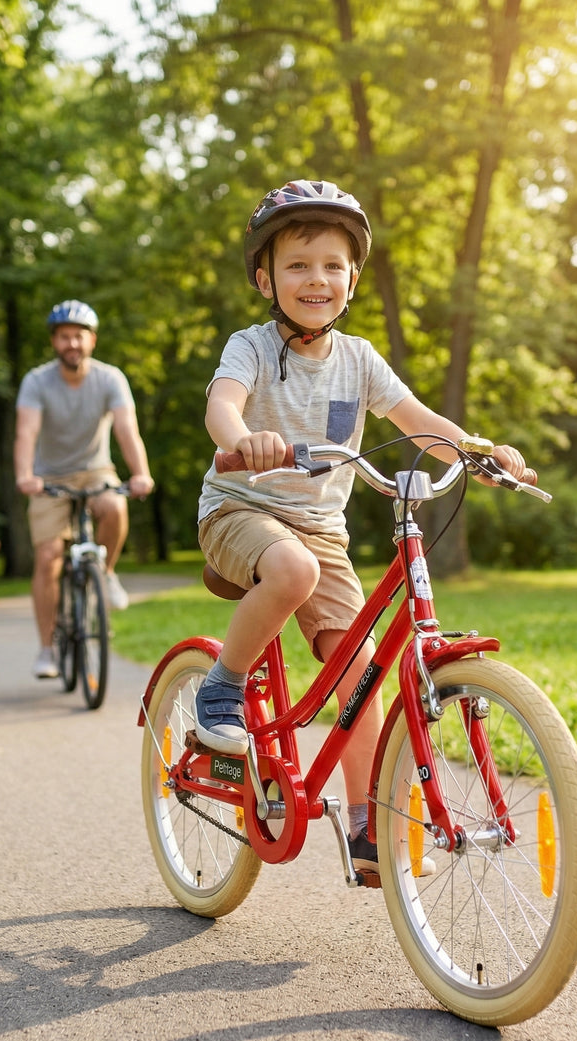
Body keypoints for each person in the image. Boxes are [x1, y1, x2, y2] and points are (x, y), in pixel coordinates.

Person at [194, 180, 537, 876]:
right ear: (266, 278)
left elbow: (416, 423)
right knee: (293, 571)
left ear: (351, 279)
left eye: (331, 265)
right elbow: (222, 407)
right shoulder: (252, 347)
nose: (315, 278)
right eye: (297, 265)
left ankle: (366, 823)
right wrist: (245, 438)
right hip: (240, 507)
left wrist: (476, 450)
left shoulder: (359, 359)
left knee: (361, 668)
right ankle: (221, 686)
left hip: (321, 528)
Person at [14, 299, 154, 679]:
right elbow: (26, 432)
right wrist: (25, 474)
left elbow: (127, 429)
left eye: (79, 336)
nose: (71, 343)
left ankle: (104, 573)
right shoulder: (36, 381)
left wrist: (140, 472)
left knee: (114, 507)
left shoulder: (110, 378)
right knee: (47, 558)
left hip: (96, 472)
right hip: (49, 478)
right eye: (64, 337)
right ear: (54, 342)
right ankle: (46, 650)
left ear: (91, 340)